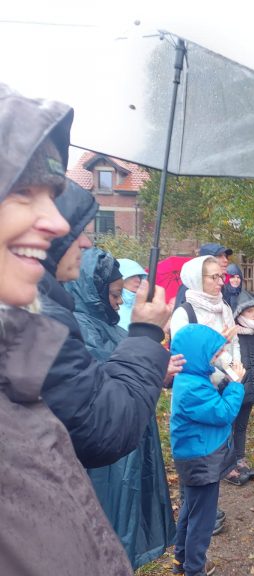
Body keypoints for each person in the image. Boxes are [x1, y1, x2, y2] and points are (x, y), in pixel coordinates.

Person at [0, 81, 134, 574]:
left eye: (51, 197)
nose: (57, 225)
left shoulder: (19, 364)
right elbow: (101, 425)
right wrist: (141, 342)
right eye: (21, 192)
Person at [37, 179, 172, 469]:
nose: (86, 243)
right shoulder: (48, 322)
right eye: (76, 232)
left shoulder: (53, 311)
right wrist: (147, 333)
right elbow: (102, 424)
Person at [63, 247, 176, 569]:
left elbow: (124, 376)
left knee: (128, 524)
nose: (117, 301)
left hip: (131, 440)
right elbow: (101, 392)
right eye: (114, 294)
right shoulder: (79, 331)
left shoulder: (110, 327)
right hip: (106, 460)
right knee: (108, 530)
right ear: (92, 292)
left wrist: (159, 373)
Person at [170, 255, 240, 534]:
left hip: (224, 384)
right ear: (196, 280)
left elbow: (234, 344)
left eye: (219, 276)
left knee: (216, 445)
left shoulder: (223, 306)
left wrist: (234, 373)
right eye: (212, 277)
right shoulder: (185, 313)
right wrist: (219, 348)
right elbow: (185, 357)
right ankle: (196, 513)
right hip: (199, 392)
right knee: (197, 449)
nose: (219, 282)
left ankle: (208, 506)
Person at [170, 324, 245, 576]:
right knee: (203, 519)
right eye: (213, 355)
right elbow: (224, 412)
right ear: (197, 354)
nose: (217, 360)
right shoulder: (193, 388)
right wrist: (236, 384)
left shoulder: (192, 377)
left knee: (191, 511)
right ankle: (194, 568)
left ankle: (182, 561)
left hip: (195, 456)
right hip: (201, 460)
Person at [226, 289, 254, 485]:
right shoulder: (233, 334)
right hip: (236, 387)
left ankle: (239, 458)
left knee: (242, 425)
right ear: (240, 313)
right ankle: (228, 465)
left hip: (253, 386)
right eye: (249, 311)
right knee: (230, 425)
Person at [175, 242, 233, 309]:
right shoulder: (190, 287)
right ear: (206, 260)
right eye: (220, 256)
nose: (226, 260)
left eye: (226, 256)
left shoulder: (221, 284)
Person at [117, 257, 147, 330]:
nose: (138, 280)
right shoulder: (109, 307)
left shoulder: (145, 306)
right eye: (133, 276)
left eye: (140, 276)